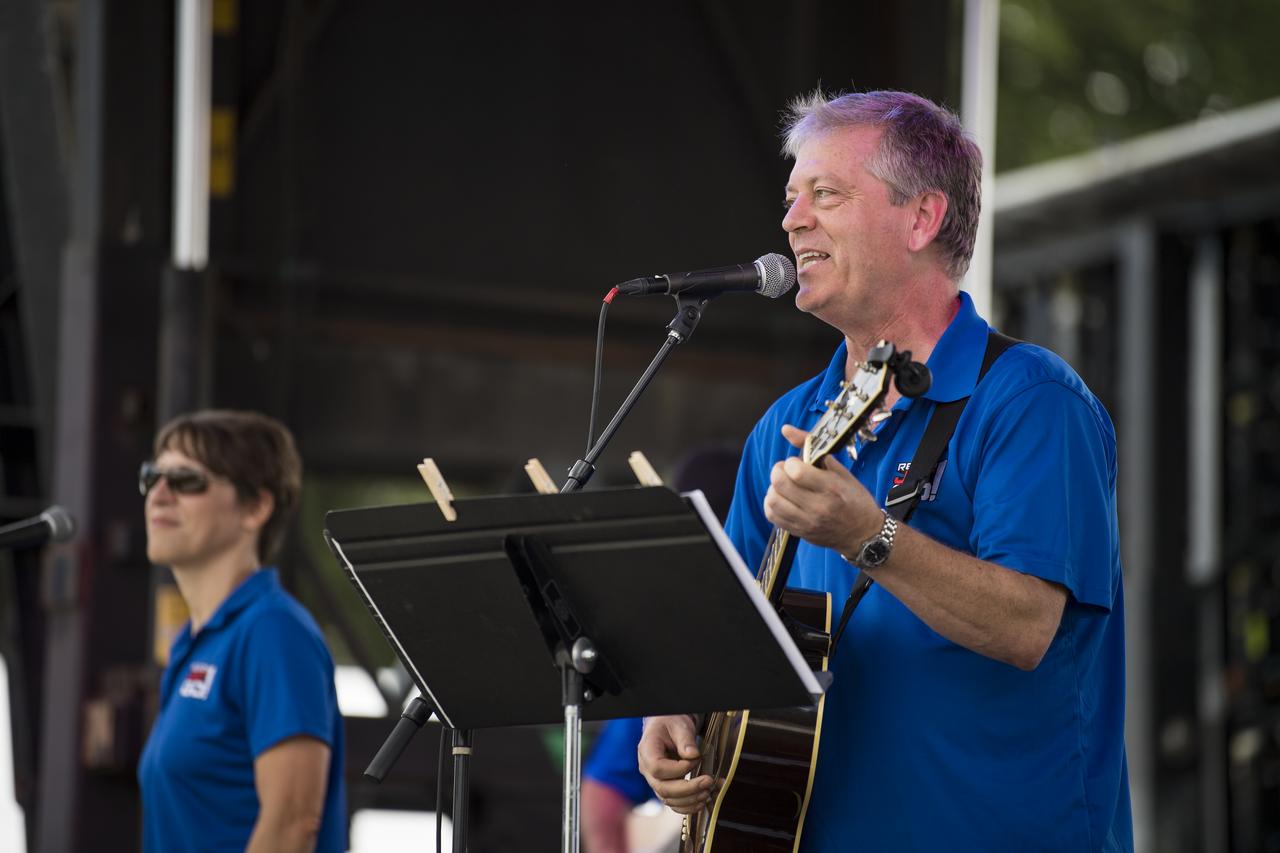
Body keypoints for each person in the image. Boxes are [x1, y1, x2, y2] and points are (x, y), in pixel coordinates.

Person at [637, 90, 1132, 852]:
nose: (792, 219)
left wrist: (869, 534)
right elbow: (727, 629)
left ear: (922, 218)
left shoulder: (1031, 399)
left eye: (825, 194)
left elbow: (1028, 624)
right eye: (792, 197)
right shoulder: (786, 425)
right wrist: (678, 708)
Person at [136, 410, 347, 853]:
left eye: (186, 481)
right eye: (152, 477)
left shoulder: (273, 631)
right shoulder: (194, 644)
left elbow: (293, 824)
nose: (158, 495)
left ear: (255, 507)